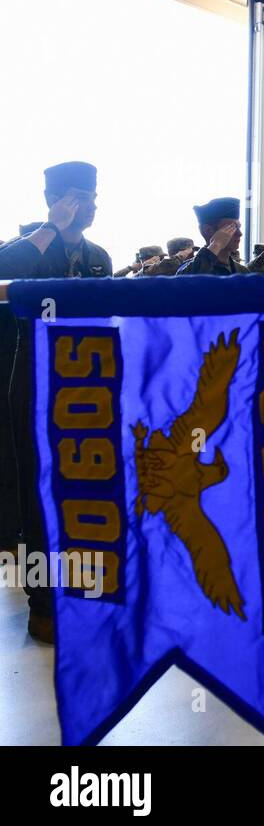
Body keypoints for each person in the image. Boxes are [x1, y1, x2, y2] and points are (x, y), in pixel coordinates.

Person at [0, 161, 112, 643]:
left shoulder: (99, 255)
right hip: (28, 376)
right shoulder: (30, 247)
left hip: (84, 380)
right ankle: (43, 604)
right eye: (82, 198)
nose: (92, 206)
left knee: (83, 487)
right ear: (62, 200)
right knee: (34, 492)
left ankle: (85, 590)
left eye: (93, 197)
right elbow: (5, 272)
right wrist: (51, 227)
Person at [177, 197, 248, 275]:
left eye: (238, 227)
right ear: (207, 230)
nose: (239, 233)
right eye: (231, 227)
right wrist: (216, 244)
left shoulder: (242, 272)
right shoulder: (190, 269)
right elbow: (185, 282)